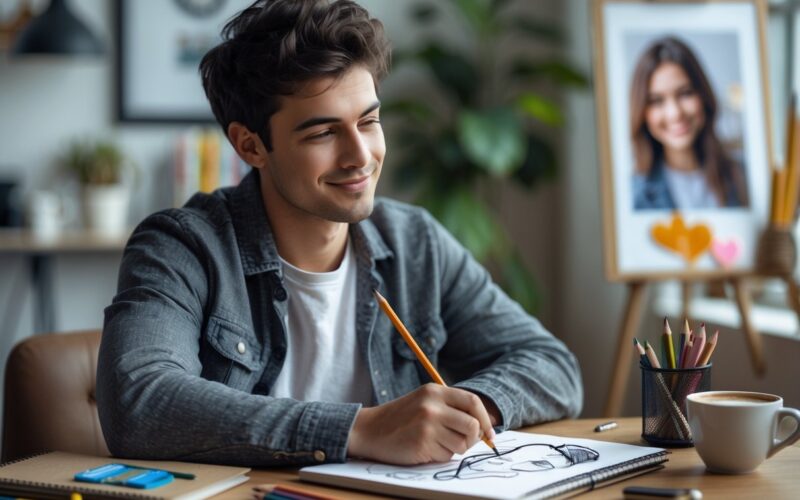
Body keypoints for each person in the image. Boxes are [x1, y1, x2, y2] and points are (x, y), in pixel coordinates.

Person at [96, 0, 582, 468]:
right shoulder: (182, 246)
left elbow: (551, 365)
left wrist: (469, 409)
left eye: (369, 121)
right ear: (250, 145)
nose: (360, 156)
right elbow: (140, 400)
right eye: (323, 133)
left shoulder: (416, 243)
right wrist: (363, 429)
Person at [629, 36, 748, 210]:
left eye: (685, 93)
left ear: (703, 95)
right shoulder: (634, 195)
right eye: (656, 101)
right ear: (642, 112)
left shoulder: (745, 177)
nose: (675, 113)